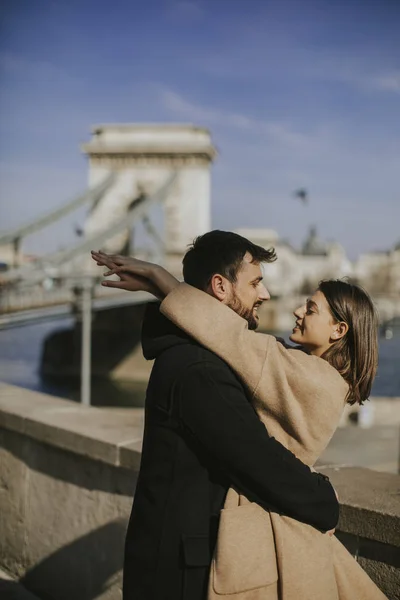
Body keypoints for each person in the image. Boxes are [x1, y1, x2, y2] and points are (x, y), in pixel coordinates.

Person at [92, 230, 387, 600]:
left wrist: (161, 282)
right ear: (220, 286)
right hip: (179, 569)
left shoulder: (290, 372)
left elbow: (231, 338)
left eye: (310, 309)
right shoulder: (202, 370)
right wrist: (323, 500)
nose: (267, 295)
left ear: (339, 330)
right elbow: (259, 458)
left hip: (176, 561)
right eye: (256, 283)